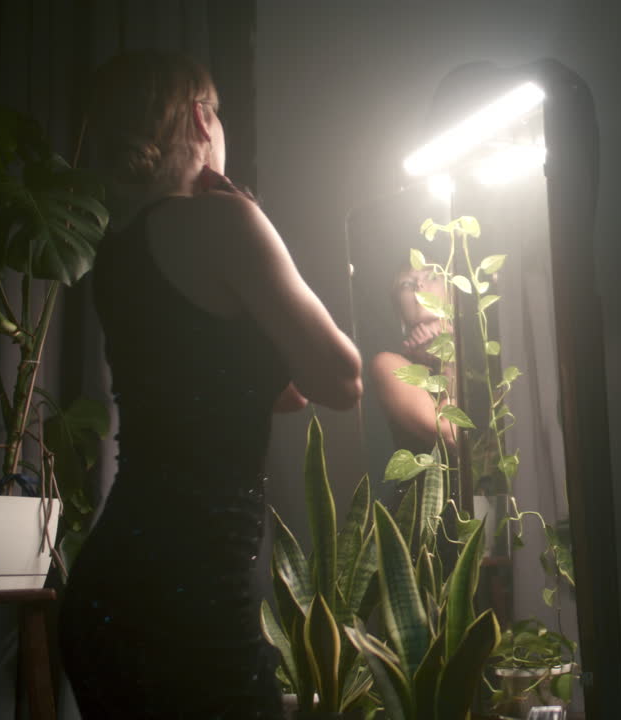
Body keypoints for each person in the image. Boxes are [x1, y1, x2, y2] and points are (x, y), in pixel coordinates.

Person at [58, 49, 362, 718]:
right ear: (200, 117)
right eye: (217, 114)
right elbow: (341, 380)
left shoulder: (118, 254)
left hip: (112, 591)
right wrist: (259, 226)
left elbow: (278, 392)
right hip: (191, 597)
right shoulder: (228, 223)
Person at [368, 261, 459, 454]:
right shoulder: (389, 365)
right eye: (407, 284)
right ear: (399, 311)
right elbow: (451, 436)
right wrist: (448, 362)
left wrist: (449, 342)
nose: (420, 285)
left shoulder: (477, 349)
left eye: (432, 277)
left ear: (451, 294)